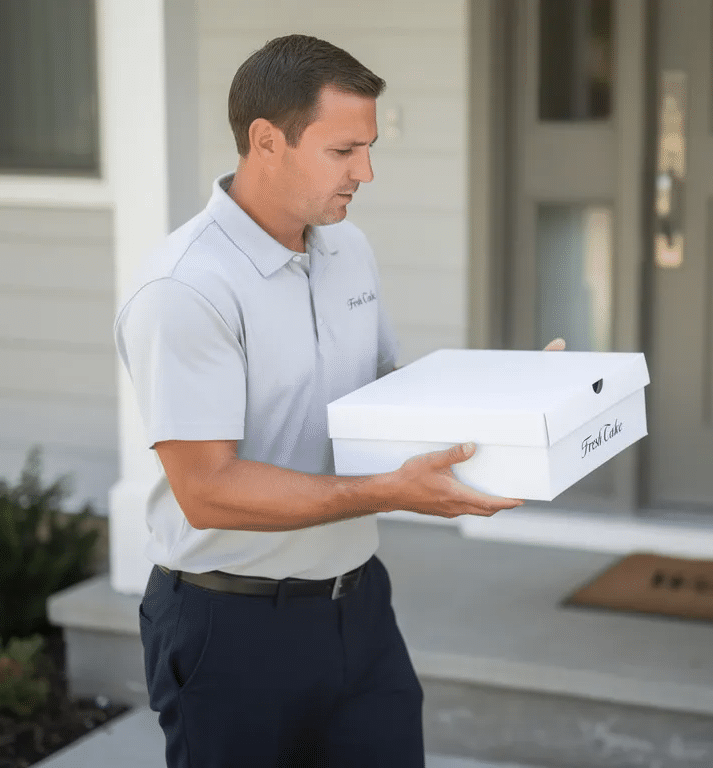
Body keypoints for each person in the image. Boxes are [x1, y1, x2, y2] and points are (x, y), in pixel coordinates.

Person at [114, 34, 564, 767]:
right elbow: (208, 490)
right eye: (343, 151)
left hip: (359, 609)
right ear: (267, 141)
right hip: (230, 626)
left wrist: (507, 398)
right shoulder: (185, 289)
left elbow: (385, 393)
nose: (366, 172)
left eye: (369, 149)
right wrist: (388, 492)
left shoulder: (347, 247)